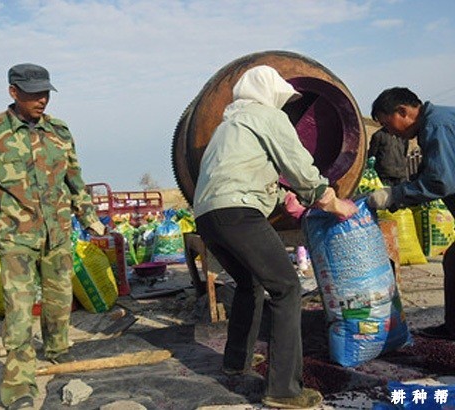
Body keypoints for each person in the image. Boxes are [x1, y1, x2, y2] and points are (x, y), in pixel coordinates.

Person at [193, 65, 358, 409]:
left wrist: (281, 196)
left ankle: (236, 362)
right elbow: (300, 168)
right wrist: (332, 203)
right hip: (238, 213)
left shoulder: (230, 125)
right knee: (287, 288)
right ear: (269, 95)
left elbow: (242, 171)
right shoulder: (267, 117)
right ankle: (283, 390)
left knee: (249, 282)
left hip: (209, 217)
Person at [0, 63, 106, 410]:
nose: (41, 100)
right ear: (13, 92)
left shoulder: (59, 130)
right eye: (33, 94)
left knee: (59, 304)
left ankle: (58, 352)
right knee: (19, 311)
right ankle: (18, 389)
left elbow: (75, 179)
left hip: (57, 234)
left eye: (45, 93)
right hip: (15, 238)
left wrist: (89, 217)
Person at [367, 87, 455, 341]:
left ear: (403, 112)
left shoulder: (437, 126)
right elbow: (431, 172)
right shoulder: (435, 124)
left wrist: (394, 196)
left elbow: (441, 182)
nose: (389, 131)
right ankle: (452, 328)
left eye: (387, 123)